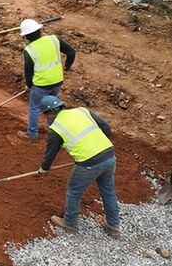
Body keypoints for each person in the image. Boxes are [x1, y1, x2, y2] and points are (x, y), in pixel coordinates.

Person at [38, 95, 121, 238]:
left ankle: (70, 223)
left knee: (74, 191)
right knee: (108, 191)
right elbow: (106, 127)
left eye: (46, 115)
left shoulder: (56, 128)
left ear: (49, 112)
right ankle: (113, 227)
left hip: (89, 163)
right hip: (109, 155)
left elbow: (50, 153)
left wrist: (43, 168)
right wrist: (98, 146)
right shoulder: (82, 111)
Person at [17, 18, 76, 142]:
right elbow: (71, 52)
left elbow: (28, 71)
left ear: (26, 36)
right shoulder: (54, 39)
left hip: (41, 84)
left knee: (34, 108)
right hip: (57, 81)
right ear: (39, 30)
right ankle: (52, 132)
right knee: (51, 106)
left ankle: (32, 134)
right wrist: (67, 67)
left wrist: (29, 85)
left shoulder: (29, 50)